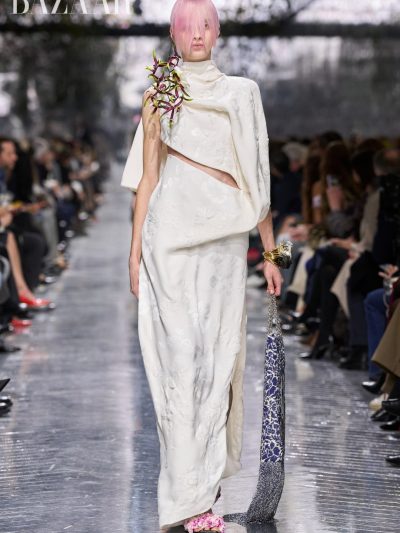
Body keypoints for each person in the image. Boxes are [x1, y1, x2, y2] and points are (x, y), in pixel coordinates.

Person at [121, 1, 282, 531]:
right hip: (168, 236)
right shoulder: (159, 93)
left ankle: (203, 492)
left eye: (206, 25)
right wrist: (134, 248)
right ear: (173, 34)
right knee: (180, 361)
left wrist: (271, 252)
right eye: (188, 27)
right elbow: (149, 178)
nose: (197, 35)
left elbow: (256, 176)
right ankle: (185, 500)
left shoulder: (242, 93)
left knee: (217, 361)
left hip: (223, 239)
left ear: (217, 32)